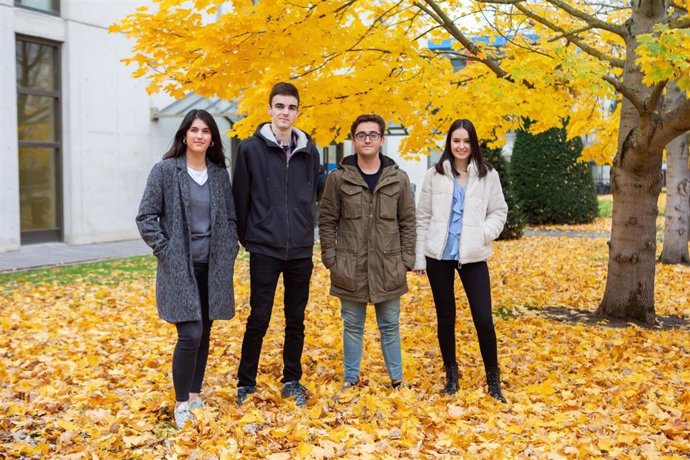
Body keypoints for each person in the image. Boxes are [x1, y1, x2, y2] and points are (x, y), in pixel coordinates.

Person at [136, 109, 239, 428]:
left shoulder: (219, 173)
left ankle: (195, 395)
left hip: (213, 266)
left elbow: (231, 218)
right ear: (184, 135)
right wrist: (166, 250)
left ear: (212, 139)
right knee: (190, 333)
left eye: (206, 131)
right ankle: (181, 403)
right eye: (194, 130)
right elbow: (145, 217)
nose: (199, 135)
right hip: (180, 267)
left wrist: (230, 247)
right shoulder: (165, 171)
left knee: (205, 331)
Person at [232, 82, 320, 407]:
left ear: (298, 111)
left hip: (299, 249)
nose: (285, 113)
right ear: (269, 109)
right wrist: (252, 236)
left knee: (296, 318)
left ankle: (291, 379)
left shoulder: (310, 151)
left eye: (291, 107)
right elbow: (240, 198)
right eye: (279, 106)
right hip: (264, 248)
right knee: (260, 315)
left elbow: (313, 194)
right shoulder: (250, 149)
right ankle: (246, 382)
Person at [413, 118, 508, 402]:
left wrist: (483, 233)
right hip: (438, 256)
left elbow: (499, 212)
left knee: (483, 318)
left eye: (467, 141)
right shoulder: (435, 174)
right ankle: (451, 375)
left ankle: (493, 379)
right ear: (449, 143)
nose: (461, 146)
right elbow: (422, 218)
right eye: (456, 141)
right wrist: (419, 257)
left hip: (473, 254)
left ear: (473, 143)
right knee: (446, 317)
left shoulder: (487, 175)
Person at [319, 114, 416, 390]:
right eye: (361, 135)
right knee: (352, 326)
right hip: (350, 266)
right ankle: (351, 380)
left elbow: (408, 221)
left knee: (390, 325)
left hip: (389, 266)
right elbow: (327, 221)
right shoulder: (338, 179)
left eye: (373, 134)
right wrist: (331, 259)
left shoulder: (398, 179)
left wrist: (406, 260)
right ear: (353, 141)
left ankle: (397, 380)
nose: (367, 139)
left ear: (382, 140)